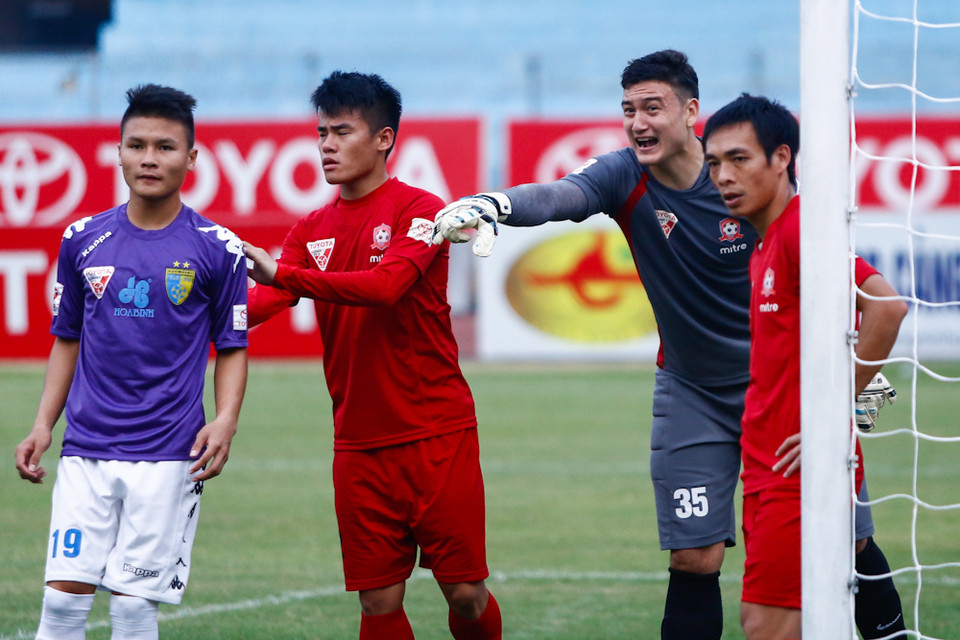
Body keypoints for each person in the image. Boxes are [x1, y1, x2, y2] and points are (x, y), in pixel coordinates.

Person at [432, 49, 902, 639]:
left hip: (787, 393)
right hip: (693, 391)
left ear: (691, 112)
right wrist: (495, 205)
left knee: (848, 541)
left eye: (653, 107)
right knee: (693, 558)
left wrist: (842, 378)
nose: (638, 123)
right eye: (628, 110)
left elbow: (845, 284)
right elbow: (560, 197)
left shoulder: (748, 183)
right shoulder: (625, 175)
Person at [242, 71, 502, 640]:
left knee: (463, 592)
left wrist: (288, 274)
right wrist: (186, 318)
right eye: (321, 133)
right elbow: (264, 299)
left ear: (383, 138)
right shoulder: (311, 228)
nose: (327, 145)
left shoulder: (422, 210)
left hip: (436, 432)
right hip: (358, 443)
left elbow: (386, 287)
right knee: (378, 602)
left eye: (342, 131)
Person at [14, 84, 249, 640]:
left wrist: (226, 419)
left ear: (192, 159)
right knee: (61, 603)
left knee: (134, 608)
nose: (149, 158)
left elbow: (232, 347)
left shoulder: (217, 248)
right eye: (136, 145)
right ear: (117, 152)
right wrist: (43, 426)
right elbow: (66, 338)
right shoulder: (82, 239)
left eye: (165, 147)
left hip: (170, 455)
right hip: (86, 451)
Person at [702, 93, 908, 640]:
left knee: (767, 625)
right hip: (772, 462)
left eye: (739, 159)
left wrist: (832, 415)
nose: (723, 175)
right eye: (714, 163)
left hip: (797, 468)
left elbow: (887, 308)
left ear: (782, 158)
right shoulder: (768, 241)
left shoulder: (802, 232)